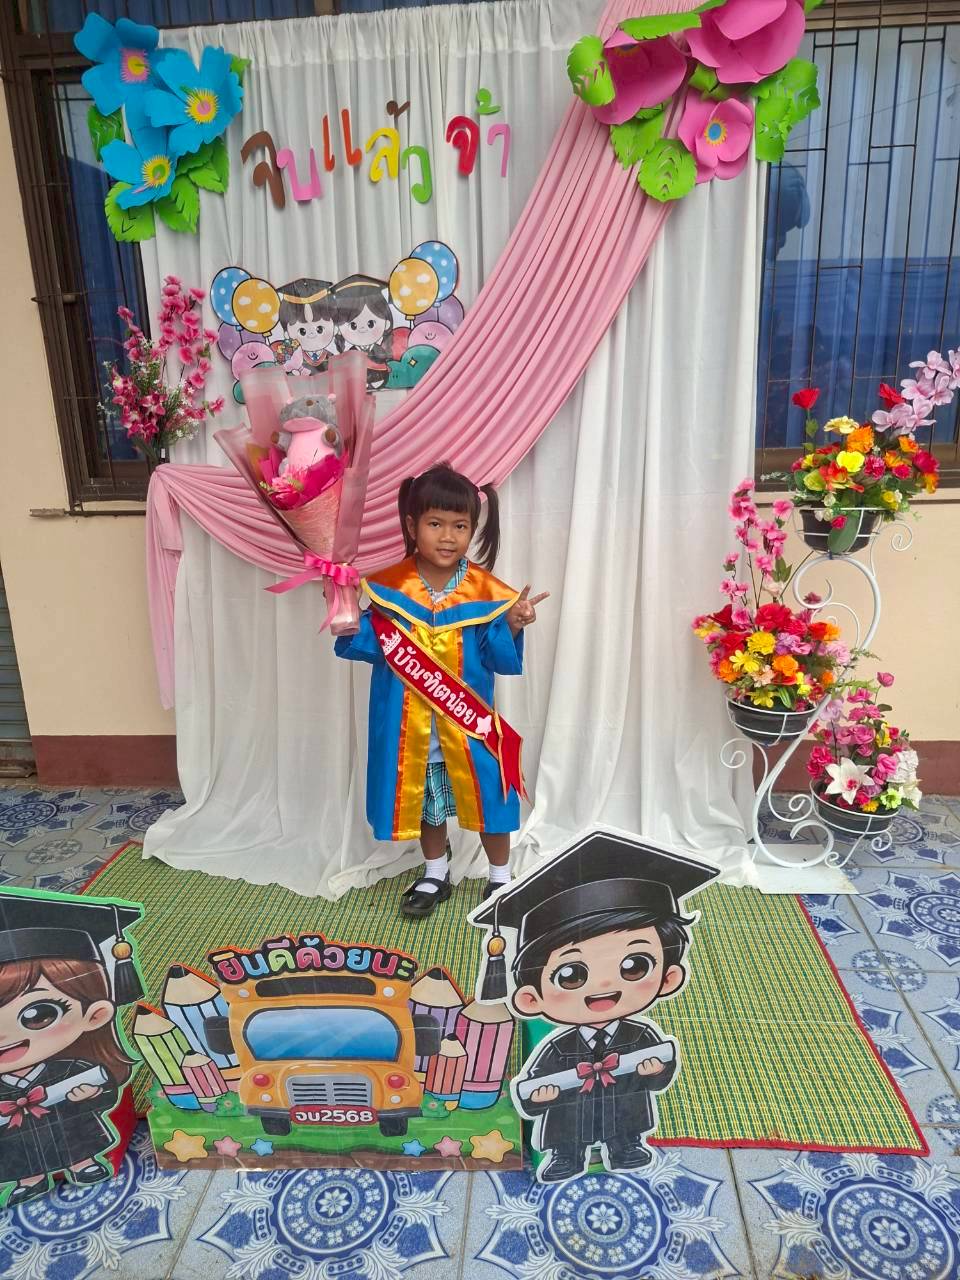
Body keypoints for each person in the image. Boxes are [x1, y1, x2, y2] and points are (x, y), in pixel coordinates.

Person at [335, 464, 547, 917]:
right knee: (426, 802)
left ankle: (500, 878)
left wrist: (512, 623)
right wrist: (343, 605)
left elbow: (495, 655)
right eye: (435, 524)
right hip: (407, 723)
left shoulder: (486, 593)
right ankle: (435, 872)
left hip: (468, 721)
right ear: (412, 526)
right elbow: (370, 645)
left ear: (473, 529)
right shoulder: (390, 589)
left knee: (491, 798)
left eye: (460, 526)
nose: (448, 536)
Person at [471, 831, 717, 1182]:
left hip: (622, 1110)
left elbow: (661, 1074)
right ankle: (566, 1156)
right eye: (571, 974)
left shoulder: (642, 1036)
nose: (603, 986)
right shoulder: (556, 1046)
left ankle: (626, 1146)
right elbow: (533, 1089)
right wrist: (539, 1096)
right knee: (566, 1120)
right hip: (571, 1121)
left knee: (626, 1113)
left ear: (669, 978)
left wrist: (654, 1071)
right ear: (531, 998)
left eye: (634, 966)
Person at [0, 891, 143, 1206]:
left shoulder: (72, 1069)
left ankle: (84, 1164)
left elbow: (106, 1092)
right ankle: (28, 1181)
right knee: (18, 1152)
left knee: (76, 1137)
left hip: (72, 1132)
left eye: (37, 1014)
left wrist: (92, 1094)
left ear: (96, 1015)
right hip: (16, 1140)